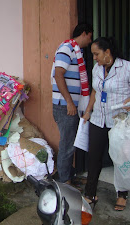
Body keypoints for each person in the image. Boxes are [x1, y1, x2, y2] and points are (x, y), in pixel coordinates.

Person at [82, 37, 130, 211]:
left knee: (121, 158)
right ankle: (90, 194)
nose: (94, 58)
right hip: (98, 119)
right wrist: (88, 111)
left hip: (119, 120)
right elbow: (95, 90)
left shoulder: (128, 68)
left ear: (107, 52)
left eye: (96, 54)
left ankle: (122, 194)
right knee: (94, 157)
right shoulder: (97, 68)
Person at [51, 23, 93, 184]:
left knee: (71, 143)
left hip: (72, 105)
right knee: (67, 144)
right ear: (84, 33)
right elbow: (58, 75)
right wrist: (69, 102)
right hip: (65, 106)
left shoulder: (77, 52)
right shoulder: (66, 48)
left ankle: (69, 175)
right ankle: (64, 181)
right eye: (90, 36)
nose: (90, 41)